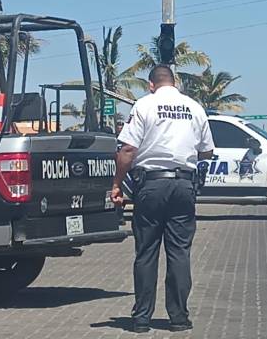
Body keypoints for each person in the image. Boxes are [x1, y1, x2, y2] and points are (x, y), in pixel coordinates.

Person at [111, 65, 214, 333]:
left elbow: (127, 150)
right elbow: (207, 151)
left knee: (146, 252)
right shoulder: (194, 107)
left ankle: (142, 318)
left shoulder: (144, 105)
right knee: (179, 252)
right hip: (183, 186)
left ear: (151, 84)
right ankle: (179, 318)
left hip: (151, 186)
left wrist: (117, 185)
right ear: (175, 82)